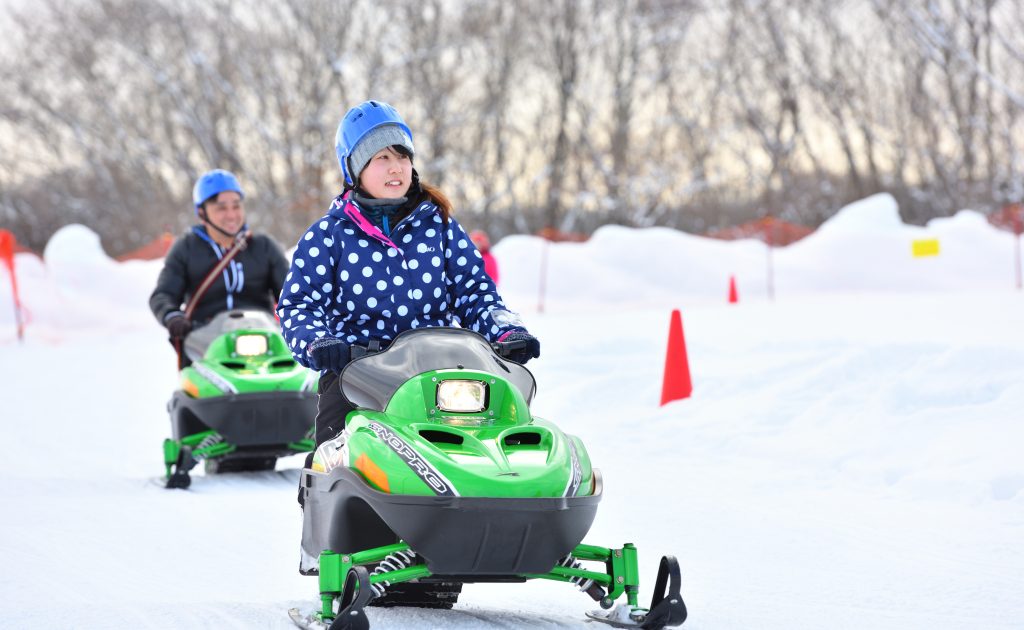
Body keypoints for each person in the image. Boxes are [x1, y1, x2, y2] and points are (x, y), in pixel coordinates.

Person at [278, 100, 540, 452]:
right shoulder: (328, 235)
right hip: (358, 375)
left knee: (493, 435)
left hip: (440, 374)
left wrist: (506, 330)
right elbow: (299, 304)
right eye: (381, 158)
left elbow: (476, 293)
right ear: (354, 168)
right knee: (330, 460)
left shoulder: (441, 227)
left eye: (401, 156)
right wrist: (319, 343)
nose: (395, 167)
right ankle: (327, 502)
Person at [150, 169, 289, 350]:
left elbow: (292, 292)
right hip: (204, 344)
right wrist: (172, 315)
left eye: (236, 206)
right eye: (221, 208)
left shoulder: (263, 246)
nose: (231, 215)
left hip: (265, 339)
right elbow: (163, 294)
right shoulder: (186, 248)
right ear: (202, 213)